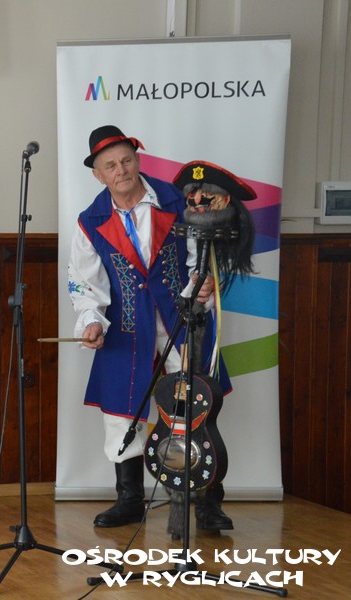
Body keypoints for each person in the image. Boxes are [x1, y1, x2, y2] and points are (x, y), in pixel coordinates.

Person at [67, 125, 233, 532]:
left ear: (138, 160)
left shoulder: (178, 201)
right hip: (125, 327)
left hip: (183, 317)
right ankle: (129, 498)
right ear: (98, 175)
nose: (121, 170)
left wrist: (202, 285)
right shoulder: (90, 221)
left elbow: (200, 258)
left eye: (126, 160)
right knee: (121, 412)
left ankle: (208, 502)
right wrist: (91, 322)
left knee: (198, 406)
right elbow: (85, 284)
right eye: (110, 165)